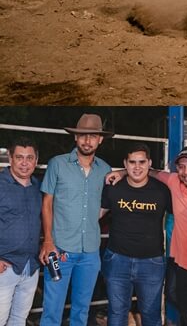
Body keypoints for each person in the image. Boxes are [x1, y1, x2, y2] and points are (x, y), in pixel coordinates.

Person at [39, 114, 113, 326]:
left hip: (90, 252)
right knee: (52, 309)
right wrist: (48, 241)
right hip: (60, 250)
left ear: (100, 140)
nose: (87, 140)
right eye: (82, 135)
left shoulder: (105, 169)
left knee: (81, 311)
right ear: (75, 138)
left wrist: (91, 217)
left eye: (93, 136)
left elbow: (107, 202)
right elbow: (47, 203)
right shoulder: (58, 164)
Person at [99, 144, 172, 326]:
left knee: (151, 315)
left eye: (142, 162)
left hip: (151, 263)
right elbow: (94, 216)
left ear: (149, 163)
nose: (137, 167)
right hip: (117, 260)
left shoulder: (162, 191)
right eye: (132, 162)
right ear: (125, 163)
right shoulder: (114, 188)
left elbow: (184, 213)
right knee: (116, 313)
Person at [0, 138, 42, 326]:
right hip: (4, 267)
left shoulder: (38, 188)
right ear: (10, 158)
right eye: (19, 157)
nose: (24, 163)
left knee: (19, 320)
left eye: (29, 158)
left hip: (30, 267)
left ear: (36, 160)